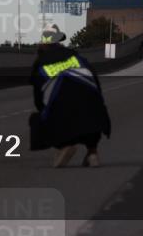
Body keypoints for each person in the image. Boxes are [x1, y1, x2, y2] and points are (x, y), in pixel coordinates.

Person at [29, 25, 110, 167]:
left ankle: (63, 145)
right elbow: (96, 84)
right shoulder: (75, 56)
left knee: (37, 119)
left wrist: (45, 112)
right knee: (92, 110)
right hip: (94, 114)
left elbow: (38, 99)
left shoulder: (40, 62)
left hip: (63, 114)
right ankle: (92, 153)